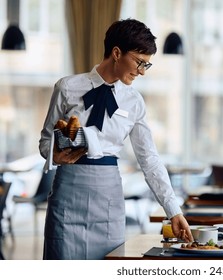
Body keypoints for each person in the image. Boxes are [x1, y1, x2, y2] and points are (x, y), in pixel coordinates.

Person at [39, 18, 193, 260]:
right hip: (67, 195)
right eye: (139, 62)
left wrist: (173, 211)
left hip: (108, 199)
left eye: (147, 65)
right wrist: (55, 155)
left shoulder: (134, 101)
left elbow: (149, 159)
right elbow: (46, 141)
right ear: (117, 53)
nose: (142, 71)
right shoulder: (67, 87)